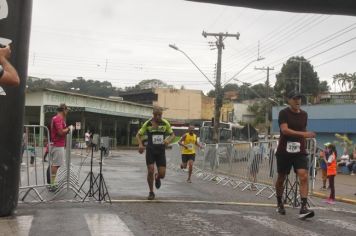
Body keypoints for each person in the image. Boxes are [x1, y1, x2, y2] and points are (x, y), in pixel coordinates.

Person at [275, 91, 316, 219]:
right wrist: (304, 135)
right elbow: (285, 130)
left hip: (299, 150)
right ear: (289, 100)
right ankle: (279, 202)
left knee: (303, 176)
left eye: (300, 99)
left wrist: (304, 136)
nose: (298, 101)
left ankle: (303, 208)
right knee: (281, 178)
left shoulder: (304, 114)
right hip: (284, 151)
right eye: (295, 99)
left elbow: (303, 129)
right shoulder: (283, 113)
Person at [136, 106, 175, 200]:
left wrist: (168, 141)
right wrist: (140, 145)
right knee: (150, 170)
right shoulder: (147, 123)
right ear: (153, 115)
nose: (158, 117)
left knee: (162, 174)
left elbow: (173, 135)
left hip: (161, 151)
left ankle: (157, 177)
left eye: (160, 115)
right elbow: (138, 135)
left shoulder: (165, 123)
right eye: (156, 115)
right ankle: (151, 192)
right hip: (150, 150)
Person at [50, 103, 73, 190]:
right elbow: (60, 132)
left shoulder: (59, 118)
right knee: (56, 165)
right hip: (57, 144)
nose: (67, 112)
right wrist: (69, 128)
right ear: (63, 110)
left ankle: (52, 182)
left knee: (56, 164)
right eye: (67, 110)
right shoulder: (58, 119)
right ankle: (52, 184)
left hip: (57, 144)